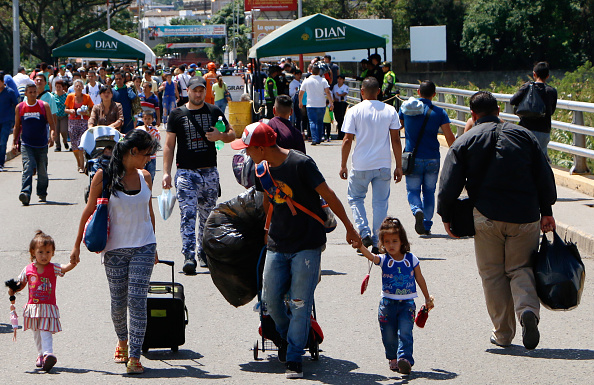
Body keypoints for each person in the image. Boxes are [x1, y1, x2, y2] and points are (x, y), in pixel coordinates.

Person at [230, 122, 361, 379]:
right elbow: (269, 201)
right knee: (269, 300)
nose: (245, 153)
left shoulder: (301, 164)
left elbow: (330, 195)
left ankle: (293, 358)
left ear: (261, 147)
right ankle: (293, 338)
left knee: (301, 302)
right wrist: (263, 233)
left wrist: (350, 228)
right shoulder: (260, 168)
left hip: (307, 243)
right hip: (277, 243)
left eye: (248, 148)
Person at [437, 91, 557, 350]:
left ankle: (503, 334)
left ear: (472, 114)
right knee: (521, 267)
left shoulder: (466, 140)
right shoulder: (524, 136)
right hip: (525, 215)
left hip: (486, 215)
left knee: (492, 274)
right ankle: (527, 311)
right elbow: (543, 174)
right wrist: (546, 210)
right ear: (499, 111)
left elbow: (449, 184)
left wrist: (446, 214)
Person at [70, 130, 159, 375]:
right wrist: (77, 245)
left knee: (137, 300)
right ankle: (122, 339)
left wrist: (155, 245)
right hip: (114, 249)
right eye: (146, 154)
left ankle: (135, 356)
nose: (148, 159)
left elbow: (149, 213)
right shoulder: (104, 176)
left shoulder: (146, 177)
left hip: (143, 245)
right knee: (119, 302)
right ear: (133, 152)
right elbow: (88, 211)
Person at [162, 77, 236, 274]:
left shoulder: (214, 112)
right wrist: (166, 173)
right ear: (188, 91)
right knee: (188, 214)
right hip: (186, 172)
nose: (198, 94)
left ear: (206, 91)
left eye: (201, 90)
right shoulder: (177, 114)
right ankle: (188, 255)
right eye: (195, 90)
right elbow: (169, 145)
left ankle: (203, 251)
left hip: (209, 172)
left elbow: (232, 134)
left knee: (207, 215)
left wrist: (220, 136)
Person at [358, 217, 433, 374]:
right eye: (387, 242)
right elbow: (371, 257)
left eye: (394, 241)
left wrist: (427, 298)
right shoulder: (385, 260)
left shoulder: (411, 259)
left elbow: (420, 278)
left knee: (405, 332)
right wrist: (360, 246)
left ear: (402, 242)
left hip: (407, 304)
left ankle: (405, 359)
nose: (391, 245)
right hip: (387, 305)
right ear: (382, 243)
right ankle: (393, 358)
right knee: (388, 334)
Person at [340, 77, 403, 253]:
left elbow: (347, 140)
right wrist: (398, 165)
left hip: (361, 165)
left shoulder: (354, 111)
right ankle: (377, 242)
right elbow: (396, 140)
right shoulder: (390, 110)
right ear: (379, 92)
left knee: (355, 198)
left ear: (362, 92)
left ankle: (363, 231)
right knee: (380, 203)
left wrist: (343, 165)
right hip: (383, 165)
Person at [7, 230, 76, 372]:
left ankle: (48, 353)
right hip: (33, 308)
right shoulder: (28, 269)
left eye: (48, 252)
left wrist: (73, 262)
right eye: (41, 252)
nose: (44, 256)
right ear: (33, 252)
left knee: (45, 330)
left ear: (53, 253)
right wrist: (13, 290)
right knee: (36, 333)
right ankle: (40, 355)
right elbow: (21, 285)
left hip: (47, 307)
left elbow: (66, 268)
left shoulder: (53, 267)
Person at [400, 81, 455, 236]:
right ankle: (427, 224)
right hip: (432, 158)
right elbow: (449, 136)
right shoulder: (439, 112)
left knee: (413, 190)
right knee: (429, 191)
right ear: (434, 94)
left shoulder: (406, 109)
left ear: (418, 92)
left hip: (412, 157)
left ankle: (417, 209)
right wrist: (457, 153)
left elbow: (398, 126)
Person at [12, 84, 56, 205]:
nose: (32, 94)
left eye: (34, 92)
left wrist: (52, 136)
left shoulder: (43, 106)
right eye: (30, 92)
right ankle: (25, 193)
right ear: (25, 93)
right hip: (26, 144)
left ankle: (42, 193)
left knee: (42, 171)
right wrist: (14, 142)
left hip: (41, 144)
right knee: (28, 167)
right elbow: (17, 126)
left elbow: (52, 124)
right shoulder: (20, 107)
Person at [510, 61, 558, 160]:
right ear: (548, 76)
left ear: (534, 74)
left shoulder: (527, 87)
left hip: (525, 129)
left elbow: (512, 100)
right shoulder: (551, 91)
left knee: (525, 157)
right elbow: (551, 111)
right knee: (542, 159)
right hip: (543, 130)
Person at [299, 65, 333, 145]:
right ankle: (319, 138)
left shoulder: (306, 80)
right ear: (319, 72)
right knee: (320, 122)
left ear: (311, 71)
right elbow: (327, 92)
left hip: (310, 104)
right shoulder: (323, 80)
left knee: (312, 122)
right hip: (321, 104)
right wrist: (331, 102)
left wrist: (300, 102)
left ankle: (314, 139)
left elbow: (301, 93)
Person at [64, 79, 94, 172]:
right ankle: (78, 162)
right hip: (73, 122)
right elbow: (66, 109)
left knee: (81, 144)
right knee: (74, 144)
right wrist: (71, 111)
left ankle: (81, 165)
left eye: (80, 86)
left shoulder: (87, 97)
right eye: (76, 86)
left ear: (83, 87)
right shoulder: (70, 97)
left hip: (83, 122)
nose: (78, 87)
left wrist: (86, 112)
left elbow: (91, 110)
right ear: (73, 87)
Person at [0, 71, 19, 171]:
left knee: (3, 142)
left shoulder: (9, 92)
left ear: (3, 82)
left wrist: (17, 120)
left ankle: (1, 163)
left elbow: (16, 106)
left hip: (6, 120)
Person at [138, 110, 161, 181]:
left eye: (149, 119)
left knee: (151, 175)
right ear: (142, 119)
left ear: (152, 119)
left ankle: (150, 190)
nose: (147, 121)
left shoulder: (155, 130)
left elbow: (157, 140)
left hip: (152, 157)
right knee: (141, 175)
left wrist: (151, 132)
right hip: (142, 156)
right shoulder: (140, 129)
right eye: (145, 119)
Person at [51, 80, 69, 152]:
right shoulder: (52, 95)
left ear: (63, 87)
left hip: (64, 116)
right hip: (55, 116)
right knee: (56, 131)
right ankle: (58, 145)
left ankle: (65, 141)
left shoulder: (66, 96)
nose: (58, 88)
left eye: (60, 87)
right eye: (57, 87)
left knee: (64, 130)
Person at [332, 75, 348, 140]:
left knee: (341, 118)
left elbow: (345, 93)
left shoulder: (345, 87)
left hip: (342, 103)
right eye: (338, 79)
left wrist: (339, 95)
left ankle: (341, 134)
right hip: (336, 103)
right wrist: (334, 98)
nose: (339, 80)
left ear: (343, 80)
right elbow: (333, 93)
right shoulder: (335, 86)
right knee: (337, 118)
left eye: (341, 79)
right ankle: (339, 133)